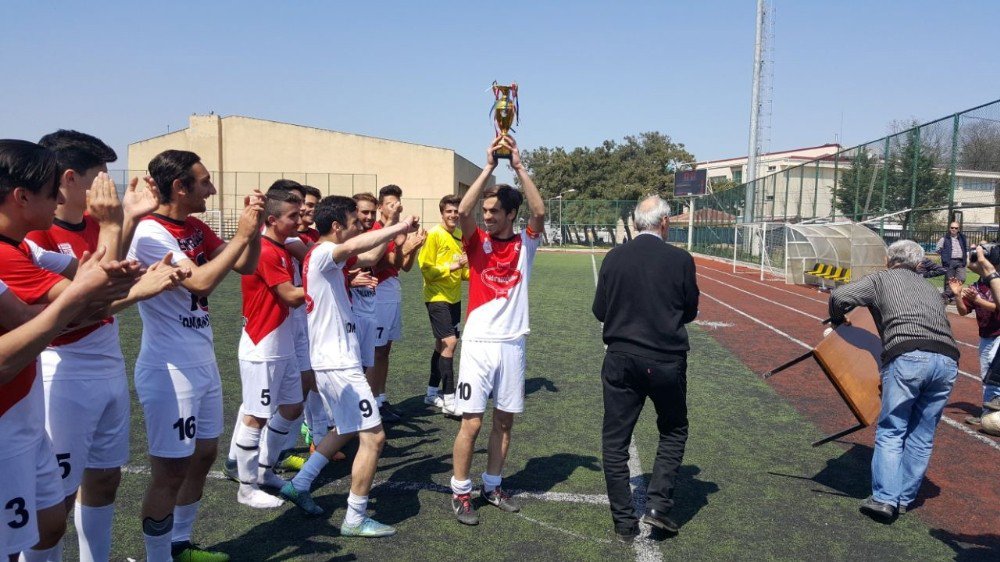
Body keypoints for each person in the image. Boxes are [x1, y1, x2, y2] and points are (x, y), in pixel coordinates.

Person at [27, 130, 185, 561]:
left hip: (108, 365)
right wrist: (139, 289)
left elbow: (107, 286)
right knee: (54, 499)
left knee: (104, 478)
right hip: (65, 372)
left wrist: (129, 219)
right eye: (100, 177)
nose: (108, 187)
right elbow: (77, 311)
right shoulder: (36, 238)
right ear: (70, 178)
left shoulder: (99, 228)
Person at [0, 139, 149, 562]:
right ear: (22, 196)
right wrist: (113, 234)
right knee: (18, 538)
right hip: (26, 407)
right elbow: (75, 304)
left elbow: (94, 285)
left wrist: (123, 224)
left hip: (30, 409)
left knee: (49, 522)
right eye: (52, 191)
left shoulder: (24, 247)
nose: (61, 198)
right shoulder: (11, 250)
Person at [128, 149, 263, 562]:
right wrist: (241, 235)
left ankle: (180, 543)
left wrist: (253, 230)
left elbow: (246, 265)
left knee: (204, 456)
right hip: (170, 368)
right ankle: (157, 557)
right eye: (204, 182)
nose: (212, 189)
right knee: (170, 471)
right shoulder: (150, 233)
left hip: (201, 360)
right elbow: (201, 282)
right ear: (179, 186)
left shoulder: (194, 225)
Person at [280, 196, 418, 538]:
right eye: (355, 221)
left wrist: (391, 233)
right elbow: (357, 245)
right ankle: (355, 517)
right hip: (338, 362)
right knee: (374, 437)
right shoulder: (325, 252)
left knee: (344, 429)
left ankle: (300, 482)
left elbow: (369, 255)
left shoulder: (330, 257)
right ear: (338, 226)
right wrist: (399, 226)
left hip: (334, 360)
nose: (360, 225)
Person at [449, 135, 545, 525]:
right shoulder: (476, 243)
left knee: (504, 421)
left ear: (510, 214)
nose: (486, 216)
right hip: (477, 345)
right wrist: (489, 166)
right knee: (471, 422)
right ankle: (460, 492)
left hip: (512, 345)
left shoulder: (526, 243)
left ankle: (492, 485)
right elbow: (463, 210)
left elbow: (539, 212)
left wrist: (519, 167)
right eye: (486, 210)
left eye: (494, 211)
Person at [591, 195, 699, 543]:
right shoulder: (680, 259)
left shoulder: (614, 257)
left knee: (615, 442)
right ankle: (657, 507)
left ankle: (624, 523)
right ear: (664, 223)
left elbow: (600, 310)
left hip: (621, 359)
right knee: (673, 429)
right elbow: (690, 310)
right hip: (666, 361)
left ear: (637, 221)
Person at [828, 239, 959, 522]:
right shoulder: (928, 287)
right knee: (922, 435)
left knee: (892, 429)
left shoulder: (881, 279)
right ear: (918, 263)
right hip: (947, 360)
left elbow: (840, 297)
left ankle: (884, 499)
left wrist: (837, 320)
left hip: (908, 355)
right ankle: (902, 499)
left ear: (889, 259)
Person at [232, 189, 308, 509]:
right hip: (263, 345)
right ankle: (246, 488)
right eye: (294, 215)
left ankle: (264, 470)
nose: (300, 220)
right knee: (255, 417)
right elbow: (290, 295)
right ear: (273, 220)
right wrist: (330, 285)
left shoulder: (285, 247)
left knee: (292, 406)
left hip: (283, 344)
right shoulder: (264, 250)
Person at [369, 185, 425, 422]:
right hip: (378, 292)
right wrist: (406, 244)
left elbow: (404, 266)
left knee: (385, 350)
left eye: (398, 203)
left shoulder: (394, 231)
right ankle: (371, 403)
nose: (396, 207)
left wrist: (413, 247)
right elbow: (381, 263)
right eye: (390, 204)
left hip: (392, 290)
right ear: (380, 207)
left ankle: (381, 399)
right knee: (375, 350)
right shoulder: (377, 230)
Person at [417, 194, 469, 415]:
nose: (453, 215)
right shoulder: (434, 235)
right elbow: (426, 269)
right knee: (450, 343)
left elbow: (464, 272)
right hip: (436, 297)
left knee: (441, 345)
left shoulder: (459, 235)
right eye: (449, 211)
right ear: (442, 213)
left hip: (454, 298)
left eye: (456, 211)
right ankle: (449, 399)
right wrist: (454, 266)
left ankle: (431, 394)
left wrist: (474, 270)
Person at [950, 245, 1000, 425]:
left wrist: (978, 300)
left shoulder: (997, 282)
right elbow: (963, 312)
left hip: (998, 334)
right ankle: (988, 413)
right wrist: (957, 295)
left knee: (993, 373)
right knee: (987, 374)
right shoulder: (977, 285)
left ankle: (991, 411)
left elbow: (998, 306)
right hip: (986, 335)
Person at [936, 222, 968, 302]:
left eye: (956, 228)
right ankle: (950, 297)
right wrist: (944, 256)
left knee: (962, 278)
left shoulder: (963, 238)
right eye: (952, 227)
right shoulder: (944, 238)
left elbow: (965, 248)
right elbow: (937, 250)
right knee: (949, 280)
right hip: (949, 262)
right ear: (949, 228)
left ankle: (946, 295)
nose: (954, 229)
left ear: (958, 229)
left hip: (960, 261)